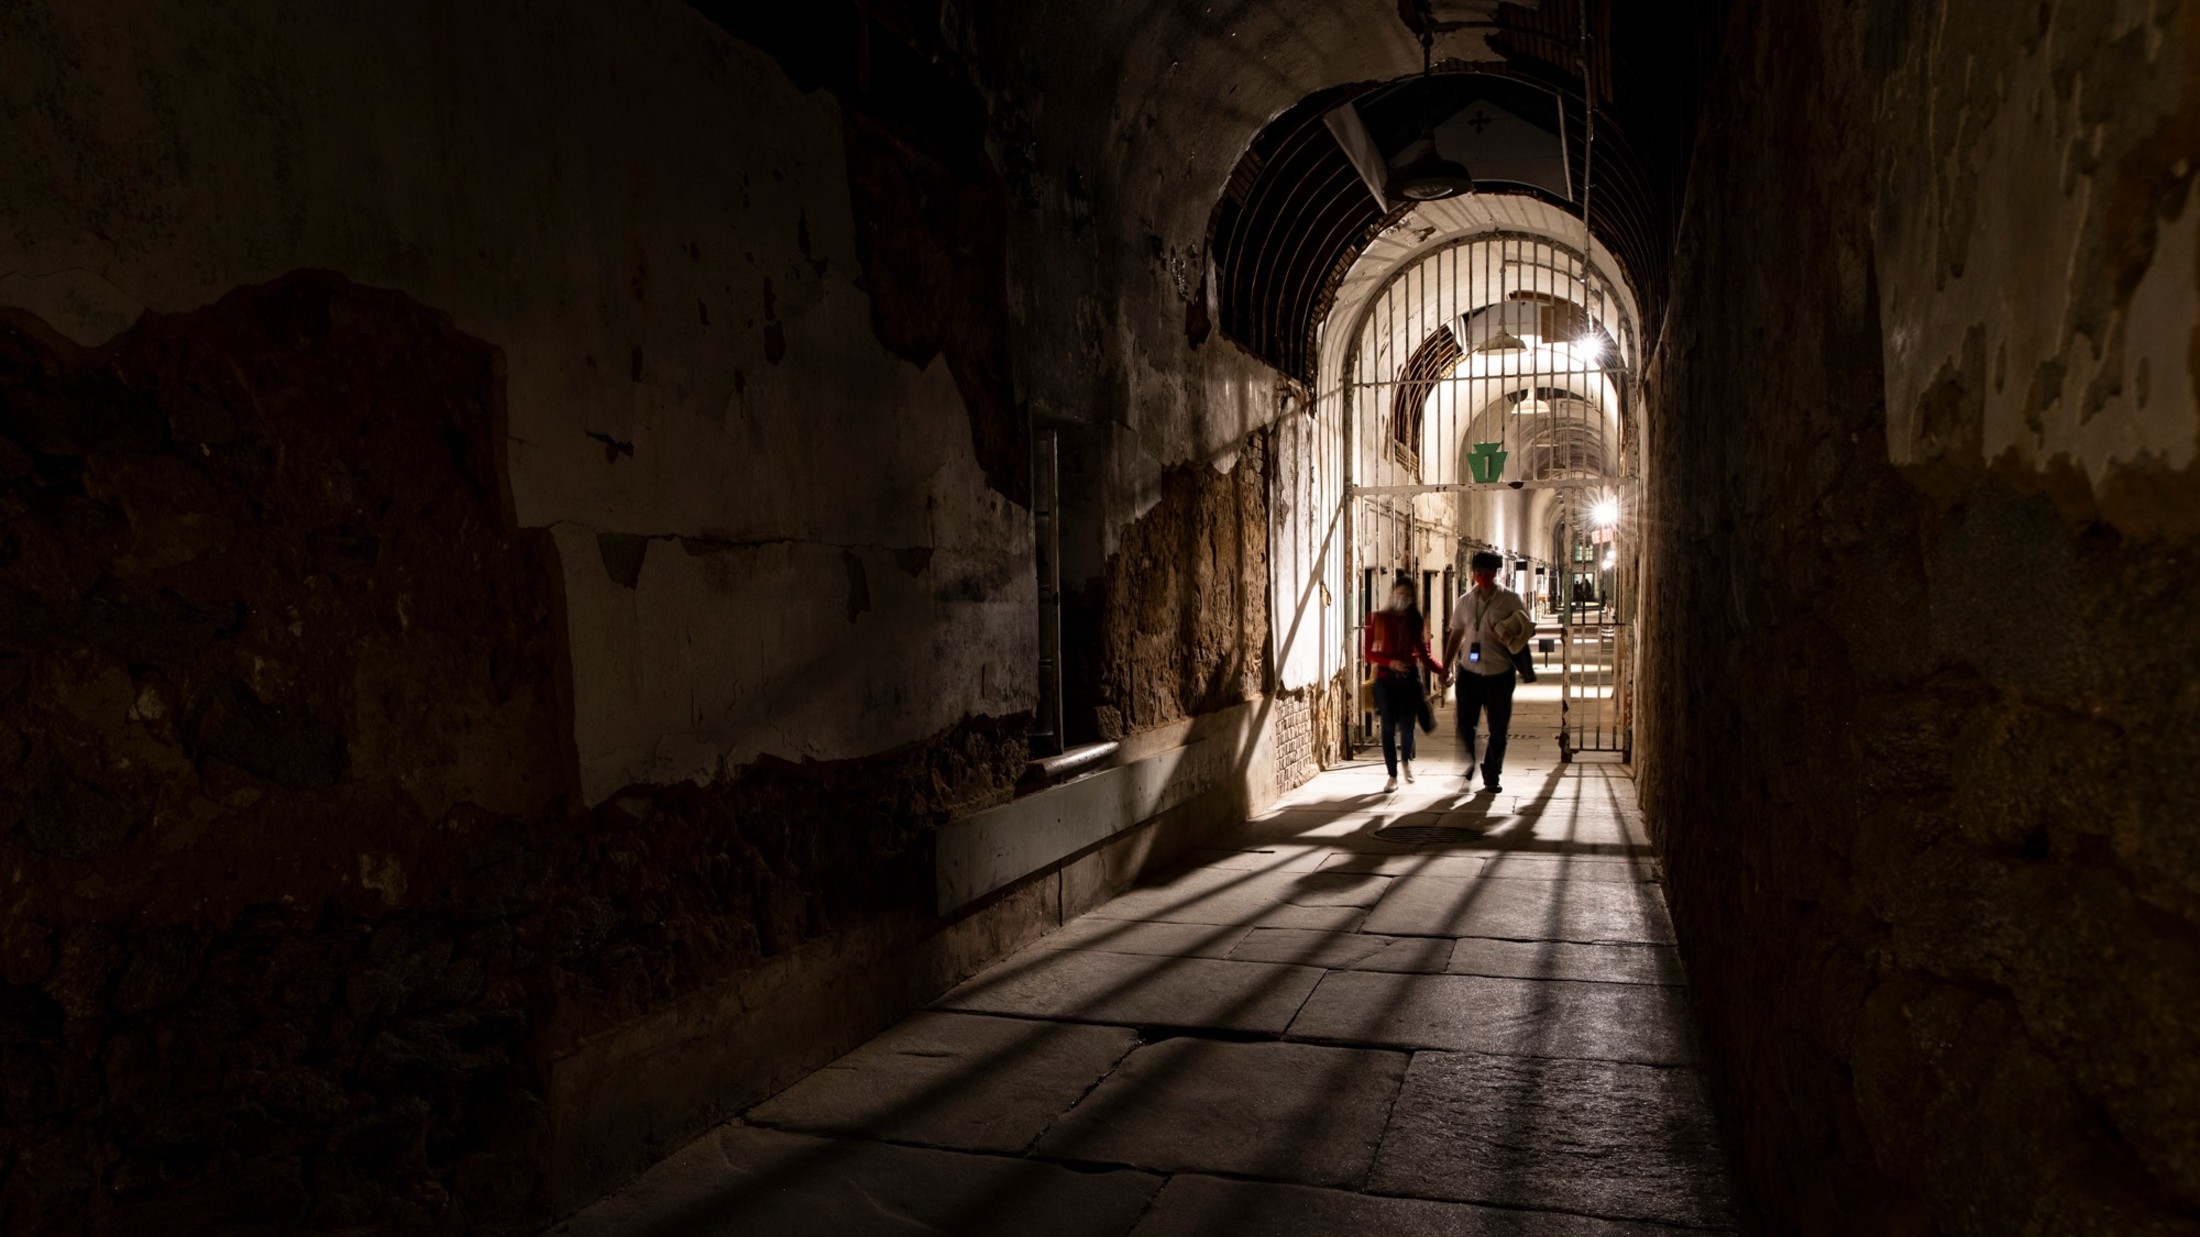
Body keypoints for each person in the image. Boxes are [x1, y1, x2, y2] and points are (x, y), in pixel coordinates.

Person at [1444, 550, 1529, 793]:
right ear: (1473, 573)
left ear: (1496, 574)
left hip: (1499, 674)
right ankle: (1469, 762)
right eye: (1479, 572)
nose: (1483, 577)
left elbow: (1525, 629)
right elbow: (1456, 635)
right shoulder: (1464, 601)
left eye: (1488, 573)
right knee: (1464, 725)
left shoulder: (1510, 600)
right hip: (1469, 674)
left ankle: (1492, 773)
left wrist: (1509, 633)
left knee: (1498, 729)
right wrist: (1447, 665)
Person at [1363, 575, 1444, 792]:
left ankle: (1406, 761)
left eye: (1407, 596)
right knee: (1388, 728)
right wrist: (1390, 662)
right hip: (1385, 681)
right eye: (1399, 594)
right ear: (1392, 594)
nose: (1402, 599)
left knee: (1408, 726)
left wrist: (1443, 670)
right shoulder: (1378, 619)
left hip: (1408, 680)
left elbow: (1423, 653)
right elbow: (1368, 652)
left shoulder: (1414, 620)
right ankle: (1392, 775)